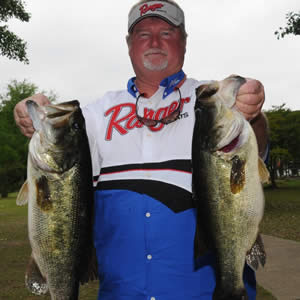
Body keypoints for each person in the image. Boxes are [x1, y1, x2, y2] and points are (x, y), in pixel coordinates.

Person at [14, 0, 268, 299]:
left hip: (204, 291)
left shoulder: (211, 101)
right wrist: (30, 110)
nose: (155, 42)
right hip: (121, 291)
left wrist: (254, 115)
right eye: (143, 33)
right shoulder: (95, 114)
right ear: (129, 43)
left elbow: (253, 148)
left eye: (167, 32)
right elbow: (58, 159)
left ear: (184, 40)